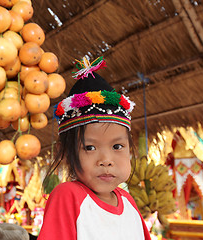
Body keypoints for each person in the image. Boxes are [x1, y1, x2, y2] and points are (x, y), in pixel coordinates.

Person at [38, 56, 151, 240]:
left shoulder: (128, 202)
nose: (106, 160)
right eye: (90, 147)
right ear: (66, 153)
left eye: (117, 146)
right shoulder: (68, 196)